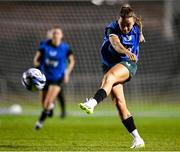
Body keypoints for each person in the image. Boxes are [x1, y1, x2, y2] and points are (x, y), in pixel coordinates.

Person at [79, 5, 145, 148]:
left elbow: (139, 24)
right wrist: (127, 51)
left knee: (109, 77)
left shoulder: (136, 26)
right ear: (118, 20)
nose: (126, 28)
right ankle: (138, 139)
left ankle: (92, 103)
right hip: (112, 64)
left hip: (128, 64)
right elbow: (116, 44)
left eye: (128, 25)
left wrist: (140, 35)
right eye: (123, 25)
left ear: (133, 22)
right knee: (120, 105)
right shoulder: (112, 28)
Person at [33, 27, 75, 129]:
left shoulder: (65, 48)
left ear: (61, 36)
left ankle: (40, 122)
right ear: (52, 35)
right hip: (45, 77)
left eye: (58, 33)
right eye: (54, 33)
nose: (56, 35)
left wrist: (67, 73)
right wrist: (37, 69)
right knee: (44, 103)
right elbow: (36, 60)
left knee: (48, 100)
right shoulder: (44, 46)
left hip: (58, 77)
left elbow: (72, 61)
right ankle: (49, 108)